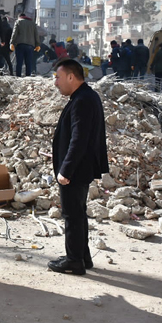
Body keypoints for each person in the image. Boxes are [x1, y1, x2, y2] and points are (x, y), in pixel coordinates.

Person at [48, 58, 108, 276]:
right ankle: (82, 256)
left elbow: (79, 139)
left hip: (76, 169)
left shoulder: (82, 100)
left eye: (58, 77)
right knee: (78, 213)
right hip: (81, 168)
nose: (56, 83)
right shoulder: (85, 96)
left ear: (71, 77)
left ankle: (74, 261)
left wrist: (66, 169)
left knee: (72, 215)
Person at [10, 12, 40, 77]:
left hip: (20, 44)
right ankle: (28, 76)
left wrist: (12, 43)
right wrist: (37, 44)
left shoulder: (18, 22)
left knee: (19, 62)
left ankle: (18, 76)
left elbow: (14, 33)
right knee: (28, 62)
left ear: (19, 17)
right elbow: (36, 35)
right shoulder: (32, 23)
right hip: (30, 45)